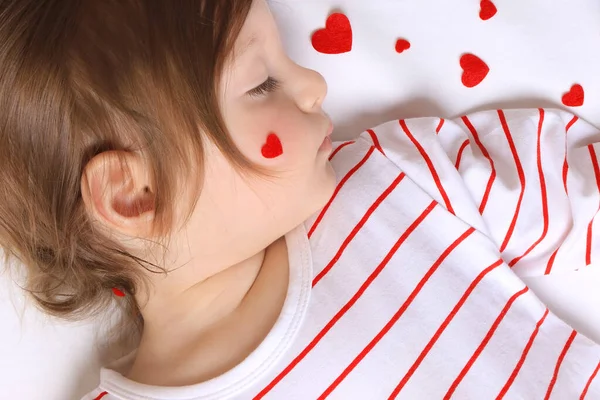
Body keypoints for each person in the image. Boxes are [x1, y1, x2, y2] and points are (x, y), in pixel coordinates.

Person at [0, 0, 598, 399]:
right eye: (261, 83)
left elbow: (567, 182)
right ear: (137, 194)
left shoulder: (390, 181)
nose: (316, 85)